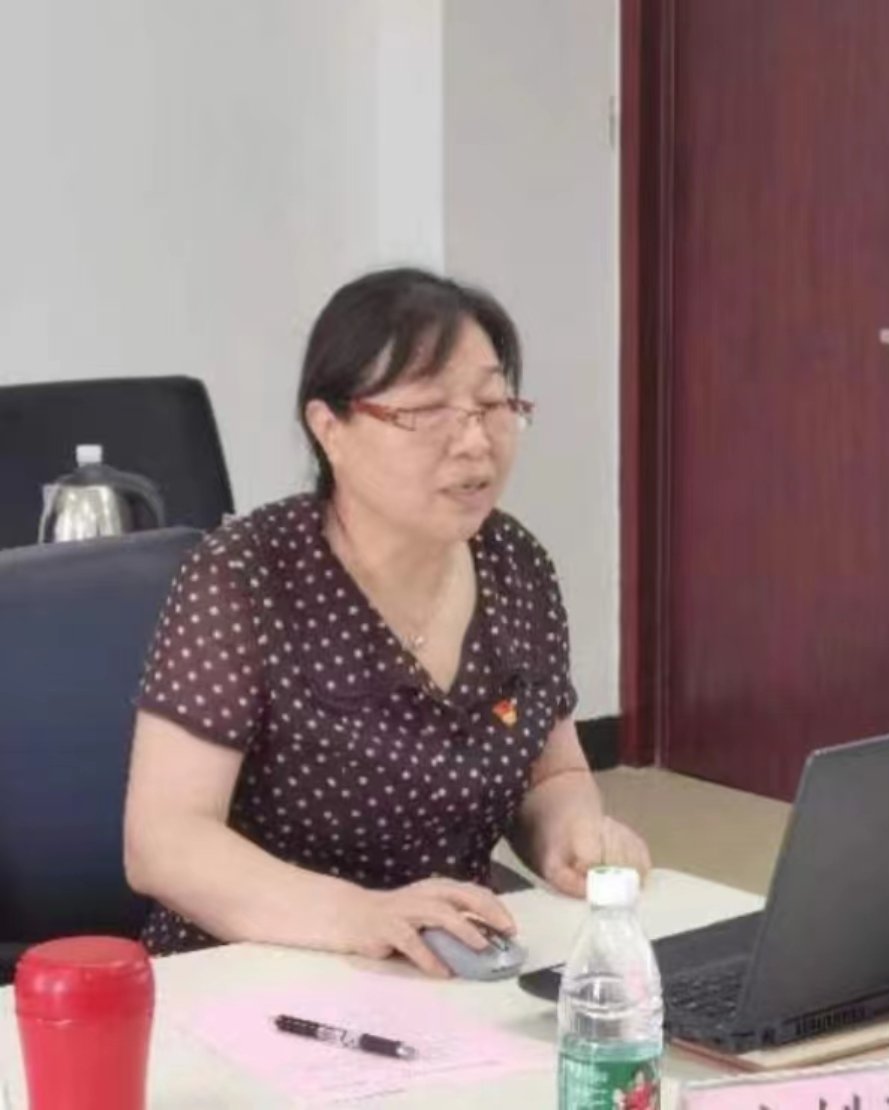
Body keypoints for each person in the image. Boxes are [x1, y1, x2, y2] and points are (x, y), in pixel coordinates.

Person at [123, 268, 651, 975]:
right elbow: (163, 842)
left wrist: (575, 832)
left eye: (492, 403)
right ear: (330, 429)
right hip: (249, 973)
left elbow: (552, 773)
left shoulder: (516, 565)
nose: (476, 442)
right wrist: (362, 917)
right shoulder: (245, 576)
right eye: (427, 412)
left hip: (449, 965)